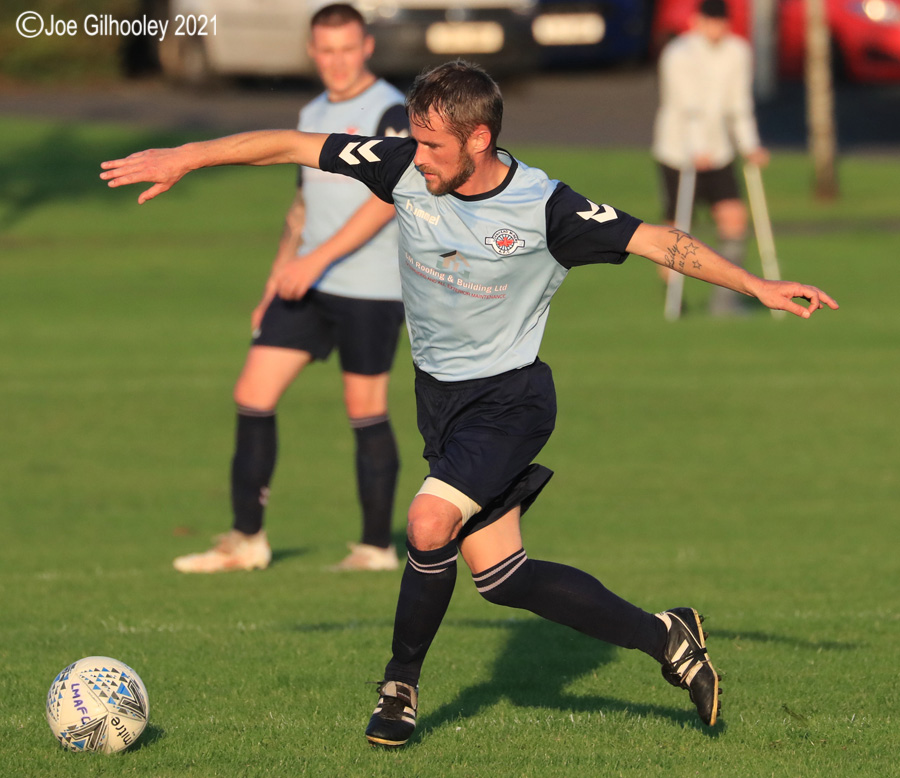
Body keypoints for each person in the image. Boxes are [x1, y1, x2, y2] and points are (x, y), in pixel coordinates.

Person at [101, 60, 838, 746]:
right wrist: (187, 156)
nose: (416, 156)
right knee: (503, 575)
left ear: (479, 139)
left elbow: (662, 241)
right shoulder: (403, 169)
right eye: (413, 142)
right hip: (440, 401)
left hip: (510, 401)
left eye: (431, 144)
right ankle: (667, 636)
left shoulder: (548, 208)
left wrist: (759, 286)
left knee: (427, 523)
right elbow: (292, 144)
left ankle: (398, 687)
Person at [172, 4, 409, 574]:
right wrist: (279, 274)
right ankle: (246, 539)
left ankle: (375, 548)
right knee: (252, 391)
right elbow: (302, 202)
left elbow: (388, 200)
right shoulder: (311, 110)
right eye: (326, 50)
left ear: (366, 47)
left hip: (372, 288)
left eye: (347, 49)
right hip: (307, 282)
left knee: (364, 407)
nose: (336, 61)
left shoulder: (393, 109)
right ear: (311, 51)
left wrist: (318, 260)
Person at [652, 0, 770, 315]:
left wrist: (750, 145)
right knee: (676, 228)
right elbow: (683, 105)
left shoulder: (738, 52)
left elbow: (739, 104)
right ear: (697, 22)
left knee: (733, 218)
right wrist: (695, 148)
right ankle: (674, 298)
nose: (716, 30)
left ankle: (725, 299)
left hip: (719, 152)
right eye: (710, 22)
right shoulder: (678, 54)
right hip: (679, 152)